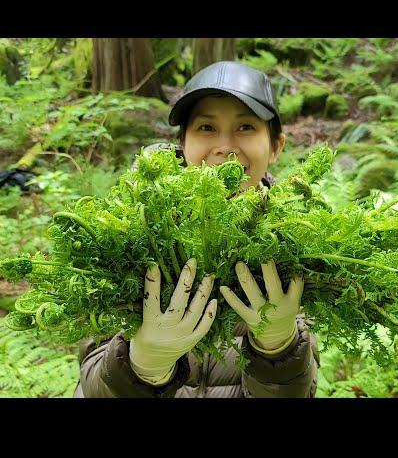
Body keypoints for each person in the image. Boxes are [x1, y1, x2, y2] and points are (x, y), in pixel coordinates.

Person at [74, 61, 320, 398]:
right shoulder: (131, 229)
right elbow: (93, 388)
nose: (225, 146)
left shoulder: (295, 243)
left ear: (276, 146)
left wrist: (279, 349)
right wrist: (143, 366)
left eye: (246, 127)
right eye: (206, 128)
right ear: (183, 143)